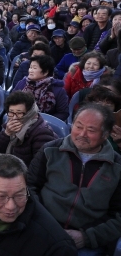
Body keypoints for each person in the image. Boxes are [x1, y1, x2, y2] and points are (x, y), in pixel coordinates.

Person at [28, 103, 121, 255]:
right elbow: (29, 188)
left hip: (87, 239)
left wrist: (86, 236)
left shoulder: (117, 167)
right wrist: (43, 224)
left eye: (91, 130)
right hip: (42, 226)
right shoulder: (50, 151)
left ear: (106, 134)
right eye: (78, 126)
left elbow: (118, 216)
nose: (82, 134)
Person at [0, 91, 57, 167]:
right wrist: (6, 134)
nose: (14, 118)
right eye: (11, 112)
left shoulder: (43, 133)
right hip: (9, 170)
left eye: (19, 113)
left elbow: (38, 168)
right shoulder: (9, 125)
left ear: (29, 113)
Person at [14, 55, 69, 121]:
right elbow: (12, 102)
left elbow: (63, 113)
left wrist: (42, 121)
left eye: (34, 68)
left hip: (46, 126)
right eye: (30, 67)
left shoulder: (58, 90)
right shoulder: (22, 83)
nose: (30, 70)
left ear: (45, 72)